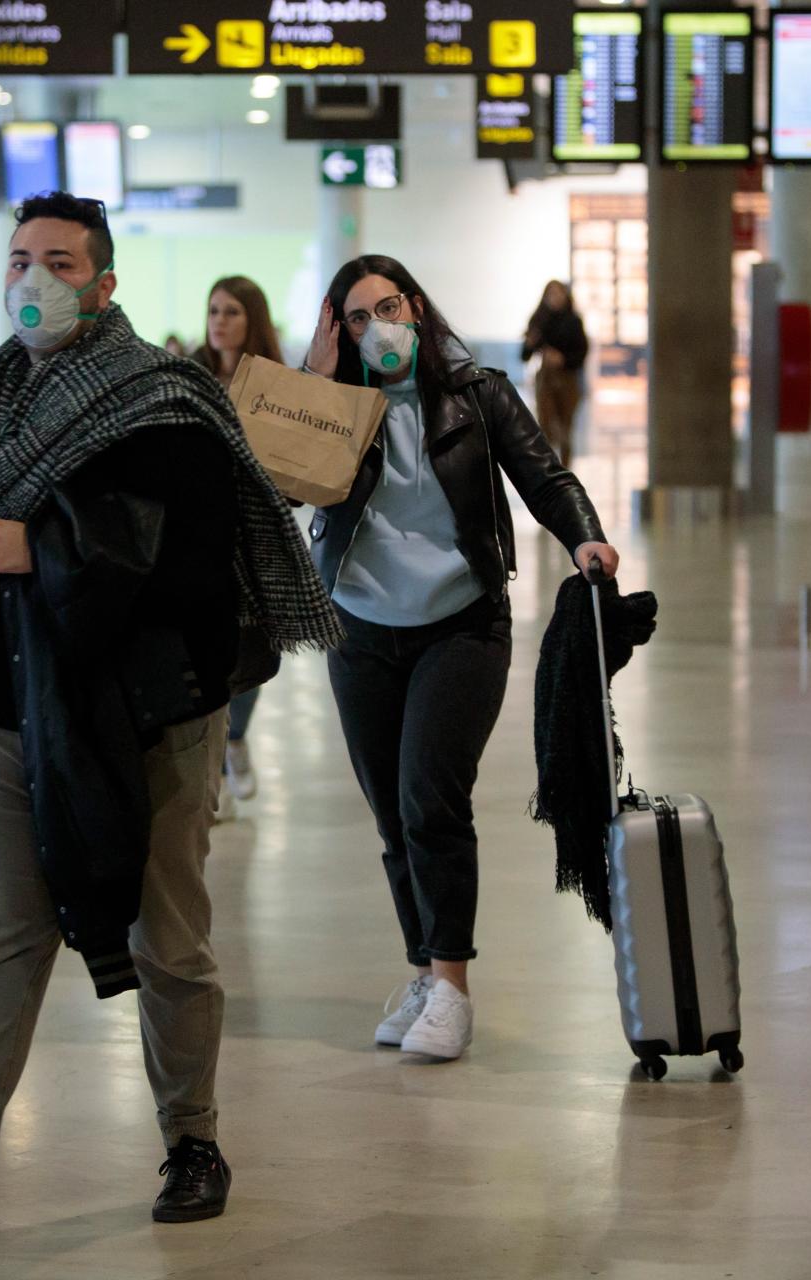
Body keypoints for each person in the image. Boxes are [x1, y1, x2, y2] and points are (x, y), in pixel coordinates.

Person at [0, 192, 339, 1239]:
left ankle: (192, 1140)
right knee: (1, 939)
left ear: (105, 283)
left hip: (148, 715)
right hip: (8, 708)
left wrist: (52, 553)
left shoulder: (164, 402)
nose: (34, 278)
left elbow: (193, 570)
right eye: (21, 258)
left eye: (60, 261)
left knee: (168, 940)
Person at [305, 255, 618, 1062]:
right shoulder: (338, 406)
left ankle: (452, 987)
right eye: (358, 317)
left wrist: (584, 534)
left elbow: (544, 475)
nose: (379, 328)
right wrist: (314, 382)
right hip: (360, 629)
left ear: (415, 306)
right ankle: (421, 970)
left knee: (428, 798)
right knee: (390, 815)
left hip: (462, 622)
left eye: (388, 307)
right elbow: (281, 483)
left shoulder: (476, 393)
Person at [193, 276, 284, 804]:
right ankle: (217, 768)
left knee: (252, 653)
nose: (219, 321)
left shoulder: (274, 387)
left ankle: (237, 737)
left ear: (252, 318)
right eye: (213, 311)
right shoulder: (192, 378)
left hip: (257, 538)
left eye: (231, 311)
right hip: (201, 537)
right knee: (209, 649)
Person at [521, 280, 589, 467]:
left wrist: (563, 359)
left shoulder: (573, 321)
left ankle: (565, 468)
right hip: (546, 380)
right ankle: (548, 468)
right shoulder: (538, 320)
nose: (555, 298)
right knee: (546, 425)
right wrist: (531, 344)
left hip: (567, 379)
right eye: (551, 294)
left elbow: (581, 352)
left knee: (565, 427)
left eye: (558, 294)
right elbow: (525, 354)